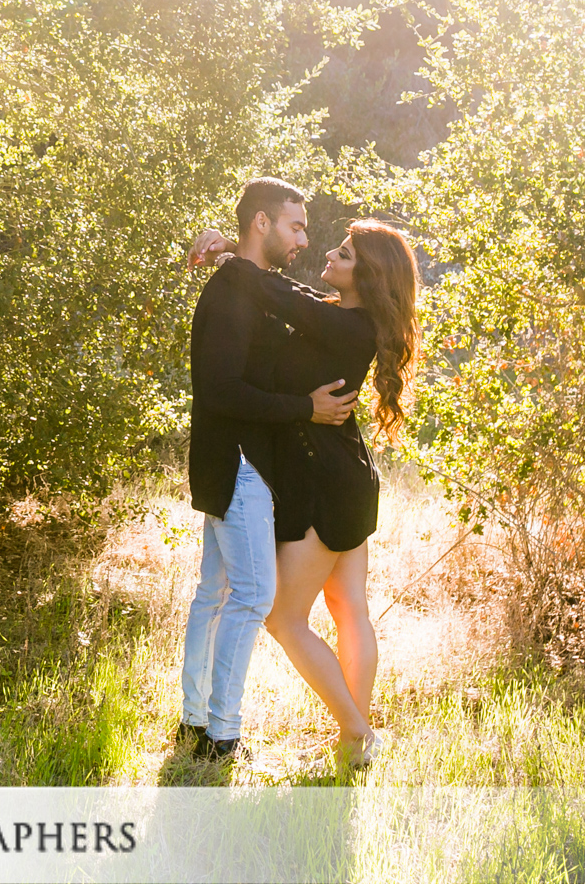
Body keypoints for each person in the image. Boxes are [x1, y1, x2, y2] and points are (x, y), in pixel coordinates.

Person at [192, 219, 420, 768]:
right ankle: (353, 744)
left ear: (367, 275)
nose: (329, 255)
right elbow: (290, 293)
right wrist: (232, 253)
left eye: (343, 253)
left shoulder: (349, 327)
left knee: (283, 618)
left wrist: (234, 253)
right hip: (345, 477)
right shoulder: (341, 316)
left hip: (325, 482)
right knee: (349, 610)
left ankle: (357, 731)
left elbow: (278, 294)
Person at [179, 178, 358, 764]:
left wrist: (229, 251)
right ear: (263, 223)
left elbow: (279, 294)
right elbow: (220, 389)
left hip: (236, 458)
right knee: (253, 594)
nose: (304, 238)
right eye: (296, 226)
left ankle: (196, 718)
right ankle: (221, 733)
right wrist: (304, 407)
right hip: (237, 462)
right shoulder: (232, 294)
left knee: (215, 592)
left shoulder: (247, 286)